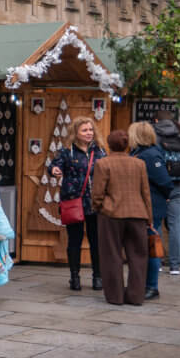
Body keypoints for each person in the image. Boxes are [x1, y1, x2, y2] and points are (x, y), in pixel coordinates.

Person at [91, 130, 152, 306]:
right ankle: (135, 296)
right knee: (138, 257)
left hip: (111, 214)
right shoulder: (139, 164)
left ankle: (115, 296)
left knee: (111, 255)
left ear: (109, 145)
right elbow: (145, 192)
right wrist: (148, 216)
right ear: (127, 145)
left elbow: (97, 193)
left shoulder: (103, 163)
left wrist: (99, 207)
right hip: (137, 213)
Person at [50, 116, 105, 291]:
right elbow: (53, 165)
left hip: (95, 203)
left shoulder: (100, 151)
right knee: (74, 241)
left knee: (97, 241)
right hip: (74, 202)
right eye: (85, 130)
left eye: (90, 130)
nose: (89, 133)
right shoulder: (67, 151)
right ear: (76, 133)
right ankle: (75, 277)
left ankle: (98, 277)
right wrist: (54, 170)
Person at [129, 121, 172, 299]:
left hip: (152, 207)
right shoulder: (140, 153)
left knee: (151, 246)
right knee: (145, 245)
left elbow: (164, 182)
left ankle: (152, 286)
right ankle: (146, 284)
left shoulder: (150, 155)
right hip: (143, 205)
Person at [153, 110, 180, 274]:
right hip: (178, 186)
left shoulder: (154, 136)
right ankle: (175, 265)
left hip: (158, 186)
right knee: (175, 225)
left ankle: (158, 262)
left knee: (157, 225)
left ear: (155, 120)